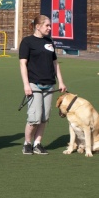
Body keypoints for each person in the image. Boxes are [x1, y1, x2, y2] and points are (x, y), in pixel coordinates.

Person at [19, 15, 66, 155]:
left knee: (44, 118)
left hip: (49, 84)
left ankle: (37, 144)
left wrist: (61, 81)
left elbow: (55, 63)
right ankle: (27, 143)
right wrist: (26, 84)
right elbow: (23, 64)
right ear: (38, 26)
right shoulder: (27, 42)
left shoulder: (49, 41)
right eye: (47, 25)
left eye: (50, 25)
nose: (50, 28)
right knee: (34, 118)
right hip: (34, 84)